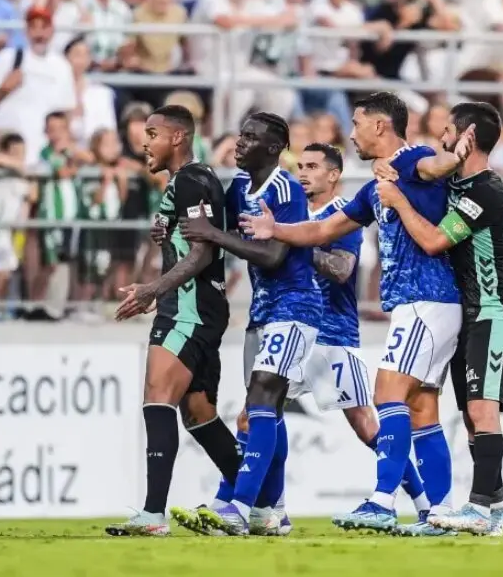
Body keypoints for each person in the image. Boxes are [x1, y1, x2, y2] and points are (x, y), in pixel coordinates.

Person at [174, 142, 431, 537]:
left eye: (314, 166)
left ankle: (422, 503)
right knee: (256, 413)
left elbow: (343, 270)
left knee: (365, 425)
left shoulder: (340, 217)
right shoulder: (286, 213)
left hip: (333, 336)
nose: (304, 173)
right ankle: (266, 509)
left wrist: (290, 242)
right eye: (301, 166)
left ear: (334, 175)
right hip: (287, 324)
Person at [240, 92, 466, 535]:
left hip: (425, 298)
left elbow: (433, 166)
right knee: (421, 408)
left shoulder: (411, 158)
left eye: (358, 123)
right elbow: (324, 228)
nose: (351, 132)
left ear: (380, 126)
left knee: (386, 398)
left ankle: (382, 502)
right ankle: (439, 509)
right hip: (421, 304)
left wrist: (454, 156)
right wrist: (275, 228)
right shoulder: (372, 189)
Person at [166, 112, 322, 537]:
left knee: (261, 401)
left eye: (251, 138)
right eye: (240, 134)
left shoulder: (285, 188)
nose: (240, 142)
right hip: (261, 312)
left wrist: (214, 236)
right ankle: (273, 511)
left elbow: (273, 255)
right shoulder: (238, 188)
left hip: (296, 307)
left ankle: (234, 503)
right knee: (265, 411)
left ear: (274, 148)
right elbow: (210, 228)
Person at [374, 102, 503, 537]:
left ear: (468, 135)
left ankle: (477, 509)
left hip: (493, 311)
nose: (439, 138)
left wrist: (398, 199)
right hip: (469, 314)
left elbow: (437, 240)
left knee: (482, 409)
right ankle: (495, 506)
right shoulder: (457, 179)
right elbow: (428, 166)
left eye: (446, 130)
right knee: (471, 413)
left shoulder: (487, 190)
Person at [104, 105, 239, 537]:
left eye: (153, 133)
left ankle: (152, 514)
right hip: (190, 306)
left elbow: (202, 253)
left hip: (189, 308)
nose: (144, 142)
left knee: (157, 395)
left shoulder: (192, 181)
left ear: (178, 137)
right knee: (199, 414)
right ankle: (261, 499)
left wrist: (153, 289)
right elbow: (188, 246)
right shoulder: (183, 184)